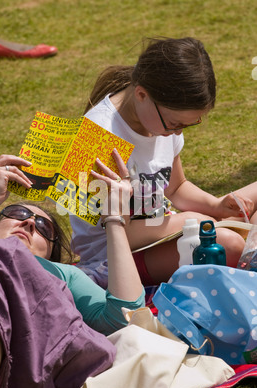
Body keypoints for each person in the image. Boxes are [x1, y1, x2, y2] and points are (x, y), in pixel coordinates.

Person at [0, 152, 144, 388]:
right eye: (17, 213)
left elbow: (124, 316)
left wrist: (115, 219)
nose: (27, 223)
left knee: (2, 258)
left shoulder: (64, 275)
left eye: (43, 228)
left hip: (22, 369)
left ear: (50, 255)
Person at [69, 36, 257, 289]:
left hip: (165, 233)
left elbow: (176, 188)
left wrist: (217, 205)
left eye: (190, 124)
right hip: (113, 258)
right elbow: (116, 233)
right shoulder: (94, 138)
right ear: (142, 94)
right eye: (175, 124)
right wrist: (188, 220)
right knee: (226, 245)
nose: (178, 133)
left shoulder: (158, 122)